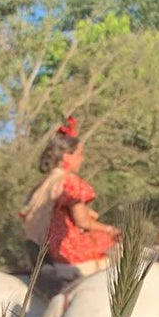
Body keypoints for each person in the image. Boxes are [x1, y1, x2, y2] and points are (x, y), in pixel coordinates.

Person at [25, 116, 120, 276]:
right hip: (64, 249)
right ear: (66, 156)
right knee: (120, 246)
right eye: (79, 154)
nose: (82, 159)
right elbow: (81, 221)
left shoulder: (44, 183)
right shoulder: (70, 182)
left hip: (37, 248)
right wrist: (109, 229)